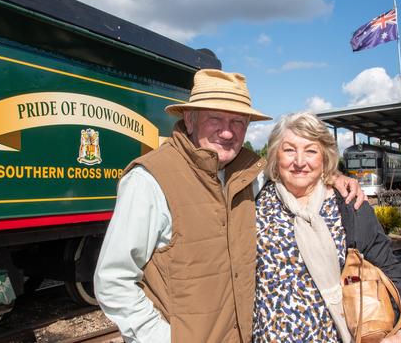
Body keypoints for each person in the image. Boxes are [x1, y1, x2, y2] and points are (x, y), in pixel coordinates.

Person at [94, 69, 365, 343]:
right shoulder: (149, 180)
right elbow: (114, 279)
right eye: (215, 118)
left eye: (237, 121)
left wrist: (333, 176)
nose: (227, 131)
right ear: (190, 119)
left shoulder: (250, 176)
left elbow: (297, 173)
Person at [252, 112, 401, 343]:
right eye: (289, 149)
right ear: (274, 155)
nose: (299, 161)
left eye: (311, 150)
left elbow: (390, 268)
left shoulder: (350, 205)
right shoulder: (253, 200)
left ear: (325, 158)